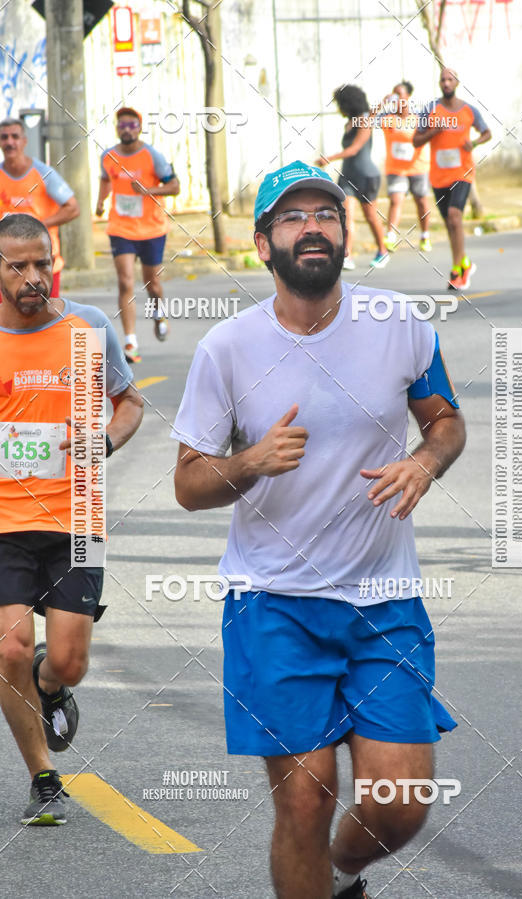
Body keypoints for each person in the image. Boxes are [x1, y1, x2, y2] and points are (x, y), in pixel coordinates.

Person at [172, 161, 465, 899]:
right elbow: (188, 481)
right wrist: (251, 460)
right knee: (304, 800)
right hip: (273, 601)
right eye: (293, 217)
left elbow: (446, 421)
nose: (313, 228)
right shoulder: (227, 350)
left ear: (343, 233)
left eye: (326, 215)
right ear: (264, 242)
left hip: (383, 600)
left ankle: (337, 875)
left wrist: (426, 462)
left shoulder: (399, 326)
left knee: (400, 805)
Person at [0, 213, 143, 825]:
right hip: (5, 521)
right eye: (18, 266)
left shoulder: (89, 326)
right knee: (9, 650)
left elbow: (130, 402)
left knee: (67, 661)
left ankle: (52, 685)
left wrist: (106, 442)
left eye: (42, 263)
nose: (34, 277)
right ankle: (44, 779)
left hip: (76, 517)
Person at [95, 106, 180, 364]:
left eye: (132, 124)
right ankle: (131, 341)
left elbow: (174, 186)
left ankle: (159, 313)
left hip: (152, 229)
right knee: (125, 282)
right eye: (122, 125)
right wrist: (100, 202)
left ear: (140, 127)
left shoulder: (152, 155)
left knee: (152, 284)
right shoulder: (108, 156)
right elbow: (106, 179)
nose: (127, 129)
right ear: (116, 128)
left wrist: (148, 189)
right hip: (121, 229)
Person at [413, 67, 491, 290]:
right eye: (442, 80)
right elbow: (416, 141)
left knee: (455, 217)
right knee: (450, 223)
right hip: (439, 177)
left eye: (450, 79)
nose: (446, 83)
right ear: (439, 84)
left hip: (463, 173)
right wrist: (433, 132)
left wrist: (475, 143)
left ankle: (457, 271)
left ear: (457, 83)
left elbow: (487, 132)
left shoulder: (469, 110)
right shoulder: (430, 110)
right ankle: (464, 262)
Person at [0, 117, 79, 298]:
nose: (10, 142)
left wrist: (38, 225)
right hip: (6, 262)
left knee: (45, 319)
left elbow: (72, 208)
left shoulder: (43, 173)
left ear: (24, 141)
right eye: (4, 137)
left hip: (41, 260)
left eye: (15, 136)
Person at [315, 85, 388, 270]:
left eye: (339, 104)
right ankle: (347, 254)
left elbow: (354, 149)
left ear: (348, 103)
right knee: (346, 216)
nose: (338, 108)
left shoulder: (364, 121)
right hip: (347, 176)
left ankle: (382, 251)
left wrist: (329, 158)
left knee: (371, 216)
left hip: (366, 175)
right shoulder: (349, 122)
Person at [377, 81, 432, 253]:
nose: (396, 98)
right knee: (396, 200)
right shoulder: (387, 118)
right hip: (396, 169)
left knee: (421, 201)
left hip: (418, 167)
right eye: (394, 94)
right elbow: (367, 120)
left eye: (399, 94)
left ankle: (425, 235)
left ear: (408, 97)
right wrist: (382, 104)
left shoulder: (419, 118)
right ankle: (390, 236)